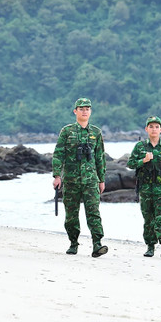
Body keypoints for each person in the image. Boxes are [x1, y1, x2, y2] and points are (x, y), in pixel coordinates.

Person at [52, 97, 108, 257]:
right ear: (75, 111)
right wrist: (57, 175)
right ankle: (73, 243)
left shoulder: (96, 132)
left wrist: (101, 179)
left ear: (90, 111)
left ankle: (97, 244)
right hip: (71, 180)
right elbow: (58, 154)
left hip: (91, 180)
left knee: (94, 213)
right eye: (81, 109)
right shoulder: (67, 131)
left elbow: (100, 157)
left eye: (87, 109)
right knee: (71, 215)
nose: (84, 111)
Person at [126, 116, 161, 258]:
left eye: (156, 127)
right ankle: (150, 246)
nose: (154, 129)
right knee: (149, 220)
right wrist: (143, 160)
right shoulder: (140, 147)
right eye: (151, 126)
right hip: (145, 190)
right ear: (146, 129)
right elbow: (130, 164)